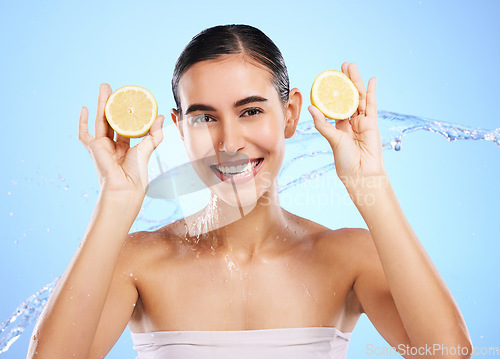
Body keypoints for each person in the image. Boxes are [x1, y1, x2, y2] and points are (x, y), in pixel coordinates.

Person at [27, 24, 472, 359]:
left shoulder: (347, 258)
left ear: (291, 113)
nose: (229, 142)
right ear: (180, 129)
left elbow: (448, 353)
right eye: (204, 117)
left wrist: (370, 182)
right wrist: (115, 202)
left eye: (251, 111)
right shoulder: (138, 262)